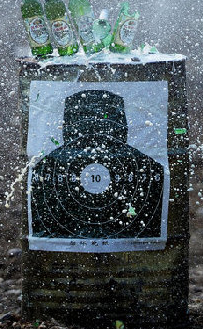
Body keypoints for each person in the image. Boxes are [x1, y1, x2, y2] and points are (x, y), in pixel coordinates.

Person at [30, 89, 165, 241]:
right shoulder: (46, 168)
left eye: (103, 119)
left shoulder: (45, 167)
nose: (94, 131)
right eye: (85, 121)